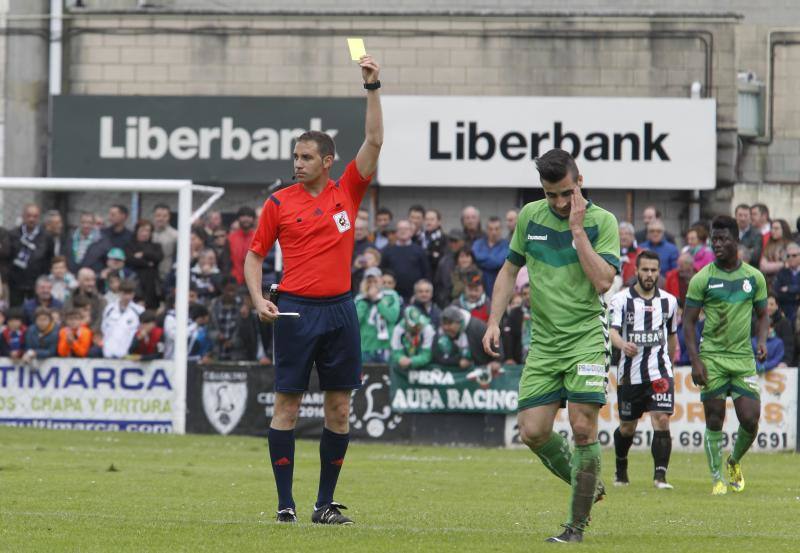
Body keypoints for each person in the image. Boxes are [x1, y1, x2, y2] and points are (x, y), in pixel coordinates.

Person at [244, 54, 383, 525]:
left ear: (327, 162)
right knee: (287, 404)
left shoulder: (348, 191)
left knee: (340, 408)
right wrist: (257, 297)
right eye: (295, 157)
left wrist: (372, 86)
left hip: (341, 311)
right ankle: (286, 504)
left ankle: (325, 505)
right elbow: (253, 256)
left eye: (306, 157)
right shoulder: (277, 203)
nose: (297, 164)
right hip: (297, 312)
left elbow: (375, 139)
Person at [482, 148, 618, 544]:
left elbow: (603, 281)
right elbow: (509, 269)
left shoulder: (603, 222)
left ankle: (574, 528)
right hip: (544, 342)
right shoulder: (529, 217)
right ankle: (588, 484)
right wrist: (494, 320)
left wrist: (577, 231)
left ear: (579, 181)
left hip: (586, 340)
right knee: (533, 431)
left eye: (564, 193)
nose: (558, 203)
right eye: (550, 195)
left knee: (581, 427)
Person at [683, 215, 768, 496]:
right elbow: (689, 322)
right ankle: (717, 477)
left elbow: (763, 314)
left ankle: (733, 461)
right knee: (715, 419)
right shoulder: (702, 278)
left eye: (722, 240)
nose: (716, 245)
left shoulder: (754, 278)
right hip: (713, 358)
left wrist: (762, 341)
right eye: (713, 240)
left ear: (736, 241)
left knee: (750, 418)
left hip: (742, 358)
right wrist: (695, 360)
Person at [609, 250, 678, 490]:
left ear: (659, 272)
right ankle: (621, 468)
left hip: (660, 372)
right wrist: (622, 345)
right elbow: (613, 332)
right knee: (628, 427)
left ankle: (660, 477)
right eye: (645, 270)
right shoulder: (620, 300)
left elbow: (671, 336)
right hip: (630, 374)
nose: (649, 275)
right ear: (636, 271)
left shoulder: (669, 301)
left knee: (661, 420)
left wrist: (669, 363)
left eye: (654, 270)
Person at [8, 204, 53, 306]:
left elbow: (50, 258)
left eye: (35, 216)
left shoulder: (46, 237)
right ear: (23, 216)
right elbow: (9, 257)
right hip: (16, 282)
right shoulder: (13, 234)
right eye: (29, 216)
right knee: (16, 312)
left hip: (37, 282)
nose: (31, 219)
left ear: (39, 218)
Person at [355, 267, 401, 363]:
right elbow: (355, 322)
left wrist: (377, 300)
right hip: (364, 347)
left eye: (375, 281)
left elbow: (393, 317)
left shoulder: (391, 295)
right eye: (369, 281)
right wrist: (365, 300)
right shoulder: (359, 299)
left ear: (380, 281)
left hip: (385, 347)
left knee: (385, 377)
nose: (372, 284)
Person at [435, 305, 502, 371]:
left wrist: (497, 361)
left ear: (459, 322)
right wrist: (457, 361)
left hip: (482, 370)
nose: (446, 328)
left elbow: (496, 347)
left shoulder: (478, 328)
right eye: (444, 324)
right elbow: (436, 355)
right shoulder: (441, 333)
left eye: (450, 323)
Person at [380, 219, 430, 302]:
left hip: (414, 297)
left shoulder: (419, 250)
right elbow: (382, 272)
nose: (403, 231)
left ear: (411, 232)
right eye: (400, 229)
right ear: (396, 232)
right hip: (391, 296)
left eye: (406, 229)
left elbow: (426, 273)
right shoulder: (387, 251)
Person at [125, 219, 164, 309]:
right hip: (136, 281)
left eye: (148, 231)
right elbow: (130, 259)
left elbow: (158, 257)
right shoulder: (130, 245)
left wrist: (143, 254)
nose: (145, 233)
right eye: (142, 230)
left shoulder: (156, 246)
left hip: (152, 284)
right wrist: (148, 263)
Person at [101, 279, 144, 359]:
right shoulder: (109, 309)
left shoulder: (139, 310)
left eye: (130, 293)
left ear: (133, 294)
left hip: (128, 353)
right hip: (109, 351)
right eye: (124, 293)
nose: (127, 297)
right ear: (119, 293)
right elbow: (103, 328)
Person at [471, 216, 509, 297]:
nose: (494, 232)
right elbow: (474, 256)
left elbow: (498, 262)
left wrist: (482, 261)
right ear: (486, 230)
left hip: (498, 287)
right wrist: (493, 259)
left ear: (501, 229)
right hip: (478, 288)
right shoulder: (478, 244)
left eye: (496, 229)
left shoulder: (507, 245)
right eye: (490, 229)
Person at [389, 305, 435, 370]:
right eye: (413, 325)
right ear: (406, 321)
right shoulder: (398, 329)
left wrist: (412, 361)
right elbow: (395, 352)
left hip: (424, 367)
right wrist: (400, 358)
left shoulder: (428, 328)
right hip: (403, 365)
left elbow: (427, 354)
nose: (417, 326)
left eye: (418, 324)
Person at [208, 276, 243, 361]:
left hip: (237, 355)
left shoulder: (242, 306)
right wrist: (217, 335)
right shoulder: (213, 306)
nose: (231, 293)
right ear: (222, 289)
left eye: (233, 290)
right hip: (216, 353)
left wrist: (233, 342)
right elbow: (208, 329)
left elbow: (245, 333)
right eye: (229, 290)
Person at [64, 268, 106, 333]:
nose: (91, 283)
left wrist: (87, 333)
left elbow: (100, 321)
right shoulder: (70, 299)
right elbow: (65, 317)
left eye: (93, 280)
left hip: (92, 337)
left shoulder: (101, 301)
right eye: (87, 280)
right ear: (78, 280)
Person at [758, 295, 793, 369]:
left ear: (776, 306)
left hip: (779, 365)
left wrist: (785, 361)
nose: (768, 307)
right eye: (766, 304)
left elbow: (789, 345)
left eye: (771, 304)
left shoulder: (784, 323)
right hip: (759, 364)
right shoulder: (757, 321)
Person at [433, 229, 465, 307]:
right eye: (451, 241)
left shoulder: (469, 258)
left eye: (455, 241)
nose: (453, 244)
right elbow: (439, 284)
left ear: (462, 242)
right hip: (447, 303)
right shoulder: (444, 261)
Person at [228, 206, 257, 285]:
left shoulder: (258, 237)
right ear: (238, 219)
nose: (246, 219)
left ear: (253, 219)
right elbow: (226, 260)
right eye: (243, 216)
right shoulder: (230, 238)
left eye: (249, 216)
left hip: (255, 280)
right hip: (234, 280)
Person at [774, 242, 800, 327]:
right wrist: (796, 295)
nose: (791, 258)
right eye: (788, 256)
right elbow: (777, 293)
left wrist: (788, 289)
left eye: (794, 255)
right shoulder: (781, 273)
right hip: (785, 311)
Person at [759, 218, 792, 286]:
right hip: (768, 282)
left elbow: (789, 265)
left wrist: (782, 264)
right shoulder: (769, 245)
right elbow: (763, 266)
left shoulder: (790, 246)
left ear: (784, 230)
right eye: (772, 228)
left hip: (785, 283)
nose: (773, 231)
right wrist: (781, 264)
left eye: (776, 228)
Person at [152, 204, 178, 281]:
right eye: (158, 215)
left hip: (166, 274)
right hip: (149, 273)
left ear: (169, 217)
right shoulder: (148, 232)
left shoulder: (175, 235)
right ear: (154, 216)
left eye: (164, 216)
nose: (161, 219)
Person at [421, 209, 446, 274]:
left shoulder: (444, 238)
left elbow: (440, 259)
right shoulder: (420, 237)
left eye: (432, 219)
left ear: (439, 222)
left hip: (436, 275)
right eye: (426, 219)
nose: (428, 222)